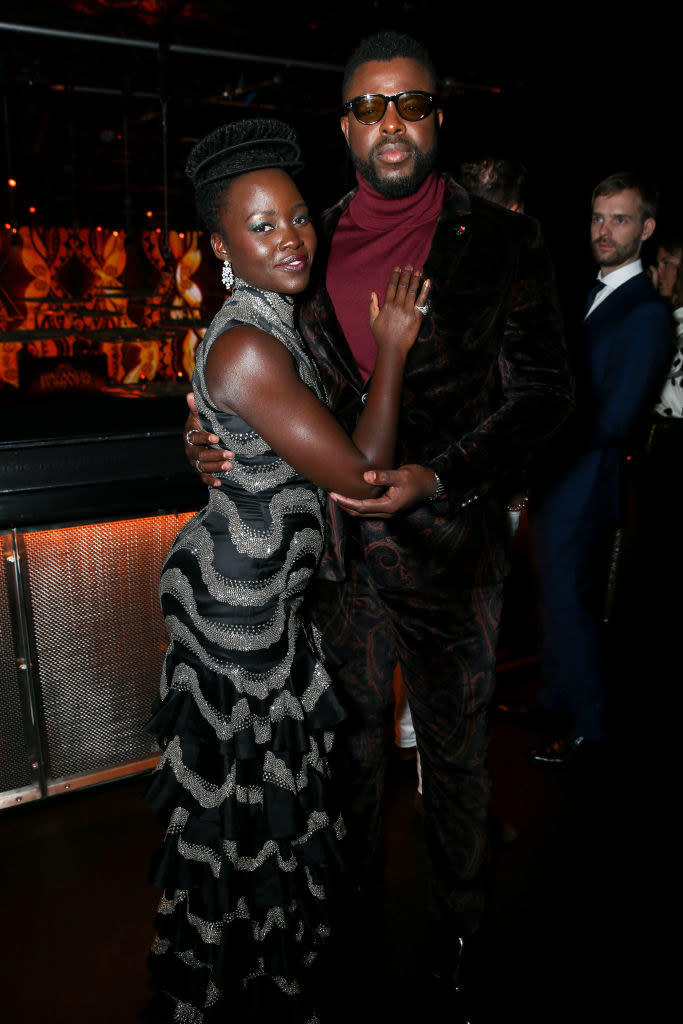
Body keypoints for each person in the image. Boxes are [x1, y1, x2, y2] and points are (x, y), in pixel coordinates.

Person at [186, 31, 572, 1011]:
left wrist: (438, 479)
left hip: (452, 555)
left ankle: (460, 937)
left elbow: (542, 395)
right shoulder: (298, 239)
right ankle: (345, 934)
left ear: (438, 117)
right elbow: (263, 378)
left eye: (410, 103)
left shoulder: (504, 238)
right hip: (335, 568)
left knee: (454, 767)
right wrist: (206, 442)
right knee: (342, 771)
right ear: (345, 126)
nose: (389, 123)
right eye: (368, 107)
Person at [144, 117, 429, 1024]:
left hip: (260, 596)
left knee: (255, 810)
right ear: (221, 244)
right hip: (237, 605)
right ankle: (238, 986)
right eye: (261, 226)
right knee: (242, 815)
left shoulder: (271, 324)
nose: (290, 238)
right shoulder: (253, 344)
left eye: (298, 217)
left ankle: (253, 974)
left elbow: (321, 458)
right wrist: (391, 350)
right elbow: (364, 478)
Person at [529, 172, 672, 766]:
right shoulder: (594, 293)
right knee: (556, 595)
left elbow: (616, 418)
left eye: (619, 219)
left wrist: (539, 440)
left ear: (646, 229)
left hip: (587, 476)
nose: (604, 230)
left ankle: (591, 730)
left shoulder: (646, 312)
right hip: (563, 474)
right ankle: (557, 702)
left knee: (571, 602)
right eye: (597, 217)